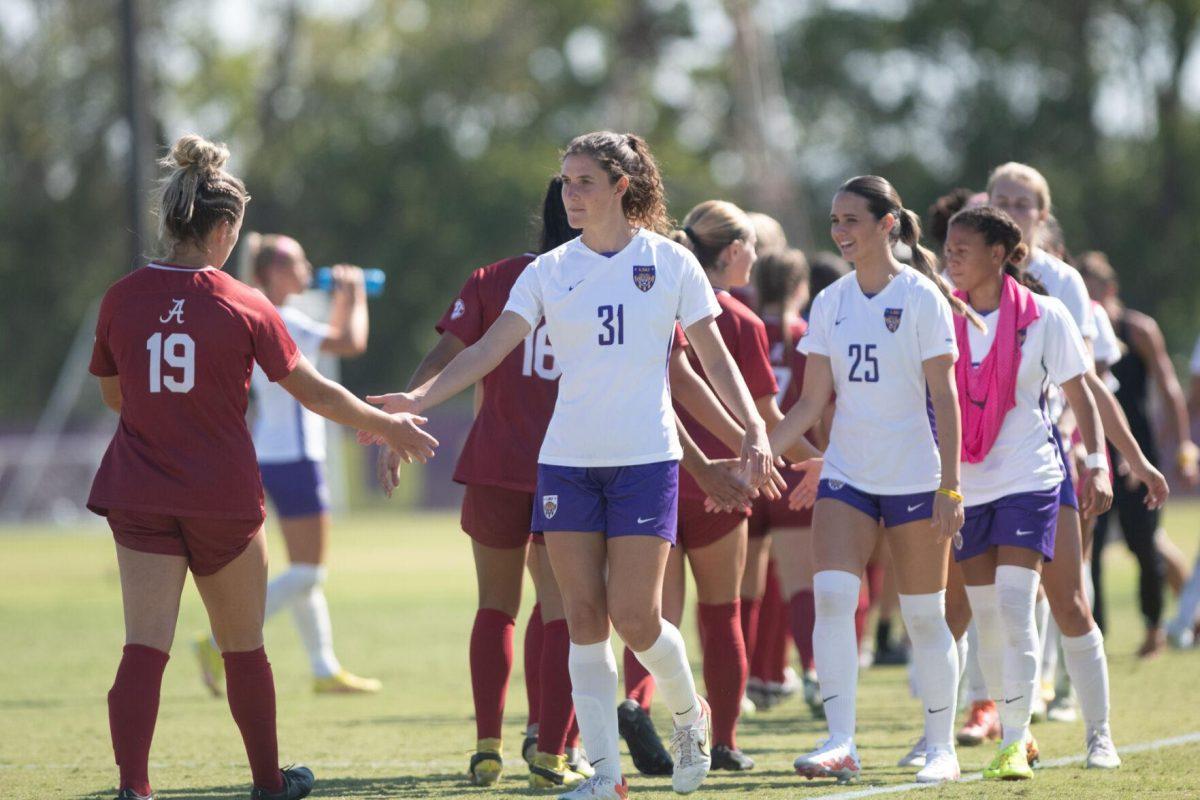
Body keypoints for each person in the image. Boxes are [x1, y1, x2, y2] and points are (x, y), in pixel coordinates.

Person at [366, 131, 774, 800]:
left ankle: (688, 716)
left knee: (635, 617)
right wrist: (414, 398)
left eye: (584, 181)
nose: (570, 194)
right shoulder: (549, 270)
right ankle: (606, 779)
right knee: (583, 619)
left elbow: (711, 360)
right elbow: (485, 353)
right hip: (566, 466)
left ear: (622, 186)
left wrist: (754, 426)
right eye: (564, 181)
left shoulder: (670, 263)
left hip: (646, 461)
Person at [88, 134, 435, 800]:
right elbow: (314, 391)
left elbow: (115, 396)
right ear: (222, 229)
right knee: (243, 646)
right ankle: (268, 784)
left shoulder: (121, 298)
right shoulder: (247, 304)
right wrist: (386, 422)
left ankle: (134, 787)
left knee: (144, 647)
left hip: (139, 490)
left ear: (169, 221)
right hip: (221, 495)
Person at [378, 177, 589, 790]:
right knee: (563, 613)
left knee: (494, 608)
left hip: (496, 464)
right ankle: (552, 752)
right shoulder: (602, 276)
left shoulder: (493, 277)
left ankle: (486, 749)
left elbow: (445, 355)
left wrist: (402, 419)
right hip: (570, 466)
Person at [772, 175, 972, 785]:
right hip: (848, 476)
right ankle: (840, 743)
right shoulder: (828, 303)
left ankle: (941, 747)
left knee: (923, 615)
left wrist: (951, 485)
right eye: (835, 221)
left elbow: (946, 396)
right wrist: (760, 454)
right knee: (832, 599)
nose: (840, 232)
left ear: (888, 224)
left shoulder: (921, 298)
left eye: (851, 219)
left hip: (915, 477)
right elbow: (809, 407)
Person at [986, 163, 1168, 768]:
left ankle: (1077, 707)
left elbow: (1087, 383)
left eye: (1023, 201)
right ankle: (977, 717)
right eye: (1000, 199)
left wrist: (1117, 457)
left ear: (1042, 213)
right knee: (984, 603)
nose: (1011, 208)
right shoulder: (962, 275)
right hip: (981, 461)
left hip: (1053, 449)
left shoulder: (1062, 285)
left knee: (1064, 588)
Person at [942, 206, 1112, 780]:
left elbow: (1083, 395)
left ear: (998, 254)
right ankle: (1019, 731)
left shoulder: (1045, 315)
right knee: (988, 617)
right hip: (969, 484)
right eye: (948, 247)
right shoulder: (941, 317)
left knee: (1034, 606)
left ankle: (1077, 736)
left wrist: (1098, 463)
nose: (952, 257)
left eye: (964, 247)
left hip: (1033, 477)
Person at [192, 236, 381, 697]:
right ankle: (215, 640)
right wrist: (352, 292)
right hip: (296, 456)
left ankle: (322, 668)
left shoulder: (256, 314)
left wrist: (341, 299)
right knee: (310, 573)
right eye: (297, 262)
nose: (307, 268)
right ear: (273, 273)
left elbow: (329, 344)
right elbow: (350, 341)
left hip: (273, 453)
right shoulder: (285, 317)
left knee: (303, 568)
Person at [1078, 252, 1200, 656]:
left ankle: (1154, 626)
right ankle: (1096, 632)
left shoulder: (1139, 329)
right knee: (1090, 546)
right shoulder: (1077, 333)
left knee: (1144, 544)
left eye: (1093, 291)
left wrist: (1182, 444)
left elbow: (1168, 386)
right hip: (1094, 446)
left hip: (1138, 447)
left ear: (1110, 290)